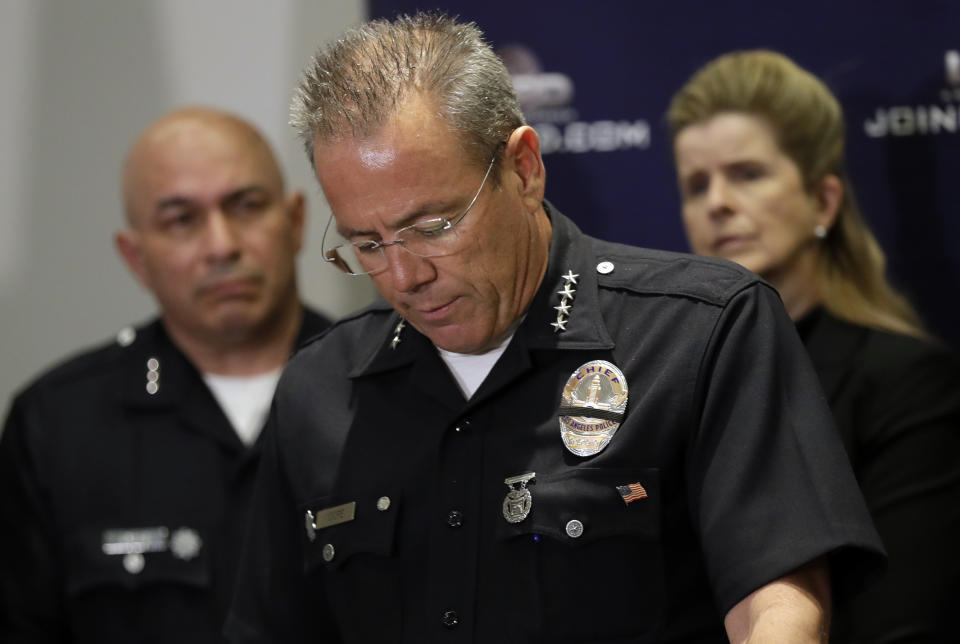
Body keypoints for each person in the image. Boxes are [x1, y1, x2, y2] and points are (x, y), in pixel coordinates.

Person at [226, 14, 885, 643]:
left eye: (432, 228)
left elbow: (780, 601)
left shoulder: (701, 334)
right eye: (366, 244)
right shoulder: (319, 389)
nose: (403, 275)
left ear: (524, 169)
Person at [0, 107, 331, 643]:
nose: (222, 245)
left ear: (295, 222)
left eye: (246, 206)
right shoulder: (57, 425)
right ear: (136, 258)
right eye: (181, 220)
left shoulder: (381, 388)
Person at [668, 49, 960, 642]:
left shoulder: (907, 381)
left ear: (824, 201)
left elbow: (900, 622)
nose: (717, 202)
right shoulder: (667, 380)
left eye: (747, 174)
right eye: (697, 185)